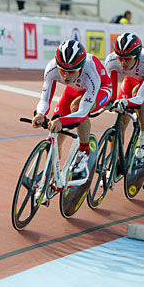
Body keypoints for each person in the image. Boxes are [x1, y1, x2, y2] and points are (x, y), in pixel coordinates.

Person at [32, 40, 113, 187]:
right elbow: (44, 98)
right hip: (73, 89)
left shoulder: (91, 70)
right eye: (62, 70)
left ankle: (84, 151)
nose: (65, 76)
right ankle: (50, 177)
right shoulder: (52, 68)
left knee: (76, 107)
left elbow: (82, 113)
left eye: (71, 71)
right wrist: (40, 114)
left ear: (81, 67)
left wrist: (63, 121)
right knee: (55, 130)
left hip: (101, 89)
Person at [105, 33, 144, 159]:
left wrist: (126, 102)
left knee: (137, 94)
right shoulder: (111, 60)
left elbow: (139, 98)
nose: (123, 62)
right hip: (132, 78)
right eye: (120, 58)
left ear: (137, 56)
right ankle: (115, 162)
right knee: (120, 120)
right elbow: (109, 91)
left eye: (128, 59)